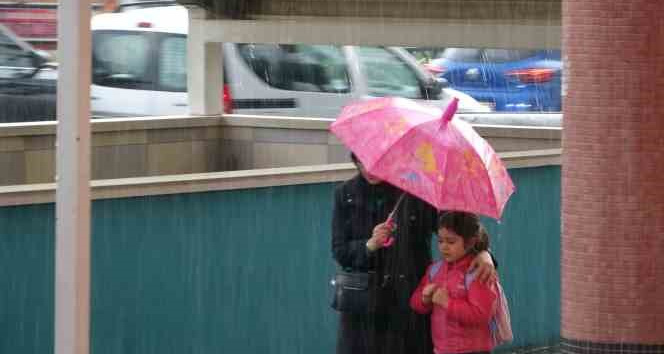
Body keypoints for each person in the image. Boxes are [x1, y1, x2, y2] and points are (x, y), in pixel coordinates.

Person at [332, 154, 496, 354]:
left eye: (377, 163)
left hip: (408, 298)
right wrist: (370, 244)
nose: (369, 170)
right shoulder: (345, 194)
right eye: (361, 163)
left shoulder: (415, 191)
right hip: (364, 304)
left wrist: (483, 251)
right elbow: (340, 251)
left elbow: (460, 227)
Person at [410, 211, 498, 354]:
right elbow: (414, 302)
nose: (444, 247)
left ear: (470, 242)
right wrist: (424, 299)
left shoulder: (478, 271)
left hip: (473, 350)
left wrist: (447, 303)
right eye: (440, 241)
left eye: (451, 242)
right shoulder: (435, 269)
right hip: (442, 349)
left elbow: (482, 315)